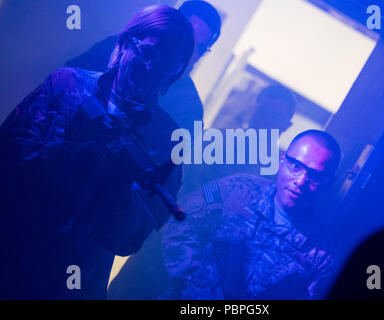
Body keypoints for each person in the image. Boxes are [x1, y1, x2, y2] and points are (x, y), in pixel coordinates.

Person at [0, 5, 194, 299]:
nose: (154, 70)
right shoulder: (67, 84)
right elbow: (9, 155)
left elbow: (127, 239)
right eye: (149, 54)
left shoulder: (168, 142)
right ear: (126, 42)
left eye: (169, 63)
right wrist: (74, 155)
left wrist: (116, 189)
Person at [160, 129, 341, 299]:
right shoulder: (235, 187)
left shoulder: (322, 258)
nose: (300, 181)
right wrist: (196, 282)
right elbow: (182, 220)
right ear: (282, 159)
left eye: (315, 176)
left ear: (328, 183)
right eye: (295, 165)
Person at [66, 0, 222, 136]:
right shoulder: (122, 46)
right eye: (189, 39)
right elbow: (65, 84)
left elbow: (169, 164)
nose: (191, 52)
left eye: (200, 48)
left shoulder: (189, 109)